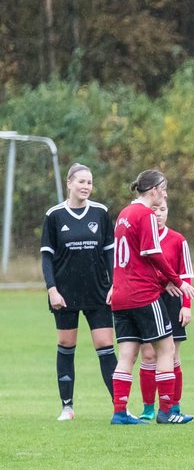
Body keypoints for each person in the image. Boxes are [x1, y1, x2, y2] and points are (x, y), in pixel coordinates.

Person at [108, 169, 194, 425]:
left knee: (127, 354)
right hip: (143, 295)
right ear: (155, 190)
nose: (166, 194)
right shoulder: (145, 214)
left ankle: (120, 412)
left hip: (121, 295)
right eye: (165, 189)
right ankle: (167, 411)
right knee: (167, 349)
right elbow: (152, 253)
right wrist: (177, 280)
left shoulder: (124, 214)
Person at [40, 163, 116, 420]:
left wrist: (115, 284)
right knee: (66, 344)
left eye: (90, 182)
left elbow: (109, 253)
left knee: (106, 346)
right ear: (69, 183)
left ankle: (120, 407)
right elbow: (47, 258)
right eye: (81, 182)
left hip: (98, 292)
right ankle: (67, 407)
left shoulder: (101, 212)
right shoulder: (54, 215)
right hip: (65, 293)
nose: (86, 187)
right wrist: (52, 289)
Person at [137, 202, 194, 422]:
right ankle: (148, 408)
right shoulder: (141, 238)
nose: (158, 214)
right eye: (154, 211)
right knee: (149, 355)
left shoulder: (178, 240)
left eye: (162, 210)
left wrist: (186, 305)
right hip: (147, 300)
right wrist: (164, 282)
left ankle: (173, 406)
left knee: (173, 355)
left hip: (172, 302)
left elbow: (186, 275)